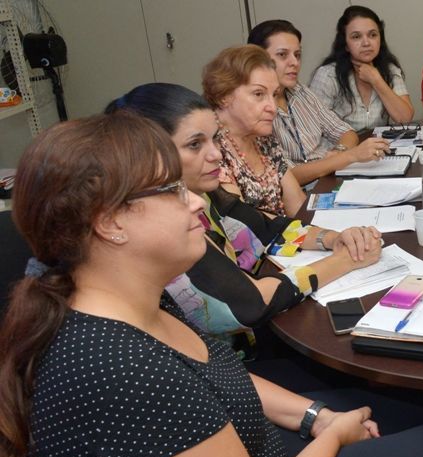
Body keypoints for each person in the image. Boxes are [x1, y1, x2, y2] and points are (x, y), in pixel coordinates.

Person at [0, 112, 423, 457]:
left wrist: (317, 417)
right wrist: (333, 437)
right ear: (109, 223)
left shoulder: (131, 302)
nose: (194, 202)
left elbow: (224, 377)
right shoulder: (120, 369)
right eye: (170, 191)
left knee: (408, 413)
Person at [107, 83, 383, 352]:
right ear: (152, 155)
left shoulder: (204, 194)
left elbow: (270, 230)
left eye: (215, 138)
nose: (216, 154)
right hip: (239, 363)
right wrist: (345, 260)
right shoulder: (168, 230)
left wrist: (332, 239)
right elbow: (253, 303)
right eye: (194, 145)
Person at [247, 19, 391, 186]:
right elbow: (286, 176)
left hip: (330, 178)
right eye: (282, 55)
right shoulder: (256, 110)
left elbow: (346, 132)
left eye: (297, 54)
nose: (294, 62)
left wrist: (339, 151)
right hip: (302, 191)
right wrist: (348, 156)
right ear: (257, 59)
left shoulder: (301, 92)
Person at [202, 44, 304, 217]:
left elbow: (298, 204)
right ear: (224, 96)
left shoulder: (261, 138)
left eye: (274, 95)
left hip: (287, 237)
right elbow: (248, 224)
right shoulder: (212, 149)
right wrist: (321, 236)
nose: (272, 107)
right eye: (258, 94)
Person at [308, 6, 415, 132]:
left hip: (379, 149)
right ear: (345, 45)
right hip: (341, 149)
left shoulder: (390, 70)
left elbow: (405, 118)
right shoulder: (328, 75)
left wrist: (376, 80)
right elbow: (314, 127)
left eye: (373, 35)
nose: (366, 43)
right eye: (356, 37)